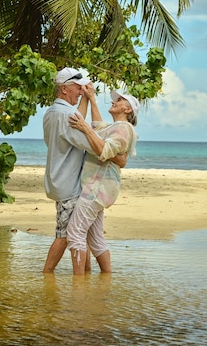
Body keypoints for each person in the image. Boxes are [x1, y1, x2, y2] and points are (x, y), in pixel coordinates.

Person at [42, 68, 126, 273]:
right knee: (66, 236)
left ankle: (85, 279)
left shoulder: (51, 112)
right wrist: (119, 156)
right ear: (64, 89)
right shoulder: (68, 115)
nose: (81, 92)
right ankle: (49, 276)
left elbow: (77, 118)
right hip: (69, 184)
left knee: (82, 234)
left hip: (57, 179)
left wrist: (88, 99)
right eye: (78, 88)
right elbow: (95, 146)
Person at [66, 88, 139, 275]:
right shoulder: (113, 127)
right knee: (95, 238)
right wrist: (91, 99)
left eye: (121, 100)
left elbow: (103, 150)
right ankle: (106, 280)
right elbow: (98, 127)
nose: (115, 101)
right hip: (99, 187)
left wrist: (84, 127)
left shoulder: (124, 128)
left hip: (96, 188)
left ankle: (78, 285)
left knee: (75, 233)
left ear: (128, 110)